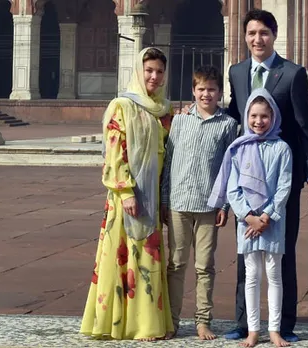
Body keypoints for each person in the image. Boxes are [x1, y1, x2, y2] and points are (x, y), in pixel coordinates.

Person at [224, 9, 308, 342]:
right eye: (251, 33)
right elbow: (234, 117)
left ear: (274, 35)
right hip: (248, 177)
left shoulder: (292, 74)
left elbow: (305, 127)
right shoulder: (237, 72)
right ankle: (243, 322)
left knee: (284, 253)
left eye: (263, 33)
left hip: (283, 177)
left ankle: (285, 324)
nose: (257, 39)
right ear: (245, 36)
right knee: (245, 254)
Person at [80, 47, 175, 341]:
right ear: (138, 71)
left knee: (148, 259)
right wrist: (126, 191)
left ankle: (145, 323)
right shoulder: (122, 106)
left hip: (152, 194)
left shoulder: (164, 110)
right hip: (127, 198)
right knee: (124, 256)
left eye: (159, 71)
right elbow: (114, 153)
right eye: (149, 70)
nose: (154, 76)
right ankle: (120, 323)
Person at [208, 88, 292, 348]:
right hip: (247, 223)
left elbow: (284, 186)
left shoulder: (281, 148)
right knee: (252, 274)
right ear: (247, 117)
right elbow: (233, 188)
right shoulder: (239, 148)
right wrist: (248, 216)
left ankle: (275, 329)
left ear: (273, 117)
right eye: (254, 116)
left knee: (274, 274)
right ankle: (254, 330)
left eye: (264, 116)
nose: (258, 121)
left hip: (272, 221)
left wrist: (266, 216)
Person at [161, 65, 238, 340]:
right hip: (179, 203)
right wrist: (164, 201)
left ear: (220, 92)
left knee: (205, 266)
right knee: (177, 264)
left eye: (212, 89)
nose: (206, 94)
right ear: (193, 91)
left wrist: (225, 205)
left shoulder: (228, 125)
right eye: (201, 89)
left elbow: (230, 169)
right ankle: (171, 319)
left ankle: (203, 321)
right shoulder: (179, 121)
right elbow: (169, 162)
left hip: (208, 205)